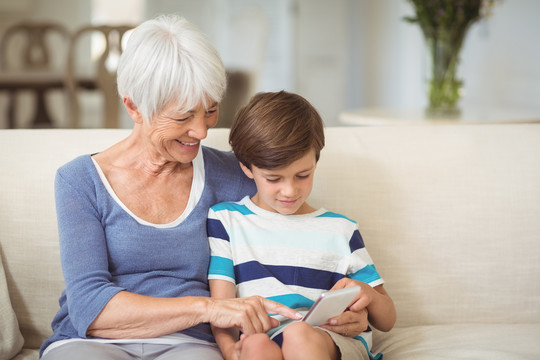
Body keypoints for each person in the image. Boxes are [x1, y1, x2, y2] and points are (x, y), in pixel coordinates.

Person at [39, 15, 304, 360]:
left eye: (210, 110)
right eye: (182, 117)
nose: (202, 131)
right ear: (134, 106)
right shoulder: (79, 181)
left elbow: (297, 238)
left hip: (190, 344)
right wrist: (208, 308)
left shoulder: (233, 174)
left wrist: (339, 304)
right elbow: (90, 308)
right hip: (87, 343)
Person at [207, 91, 396, 360]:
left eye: (303, 175)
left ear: (316, 161)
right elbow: (222, 308)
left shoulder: (340, 229)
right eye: (273, 178)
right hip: (266, 338)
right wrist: (230, 351)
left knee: (298, 334)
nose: (289, 191)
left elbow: (387, 320)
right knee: (255, 345)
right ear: (247, 168)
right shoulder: (226, 220)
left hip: (331, 340)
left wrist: (366, 293)